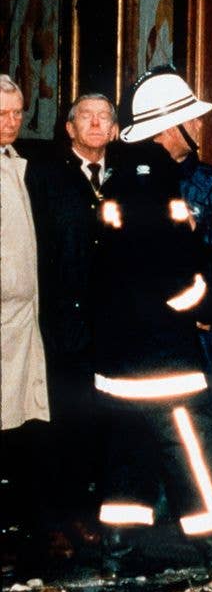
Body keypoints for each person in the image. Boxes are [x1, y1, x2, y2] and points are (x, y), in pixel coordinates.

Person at [93, 105, 212, 577]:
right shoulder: (167, 200)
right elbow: (188, 286)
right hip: (170, 369)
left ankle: (117, 550)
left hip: (119, 371)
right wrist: (203, 307)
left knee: (126, 460)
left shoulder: (109, 200)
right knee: (195, 461)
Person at [120, 67, 212, 441]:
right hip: (149, 336)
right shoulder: (129, 184)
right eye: (190, 119)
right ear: (167, 127)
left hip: (202, 335)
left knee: (196, 432)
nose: (198, 125)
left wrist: (200, 231)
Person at [25, 92, 119, 560]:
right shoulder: (44, 177)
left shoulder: (123, 179)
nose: (97, 123)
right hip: (61, 327)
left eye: (105, 118)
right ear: (69, 128)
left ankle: (89, 515)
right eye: (87, 116)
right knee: (60, 425)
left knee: (100, 426)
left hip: (112, 330)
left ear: (115, 130)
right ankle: (55, 523)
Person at [0, 75, 50, 574]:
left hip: (22, 323)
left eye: (17, 112)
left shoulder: (18, 165)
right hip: (2, 321)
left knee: (21, 426)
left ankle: (23, 533)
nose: (12, 122)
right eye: (2, 115)